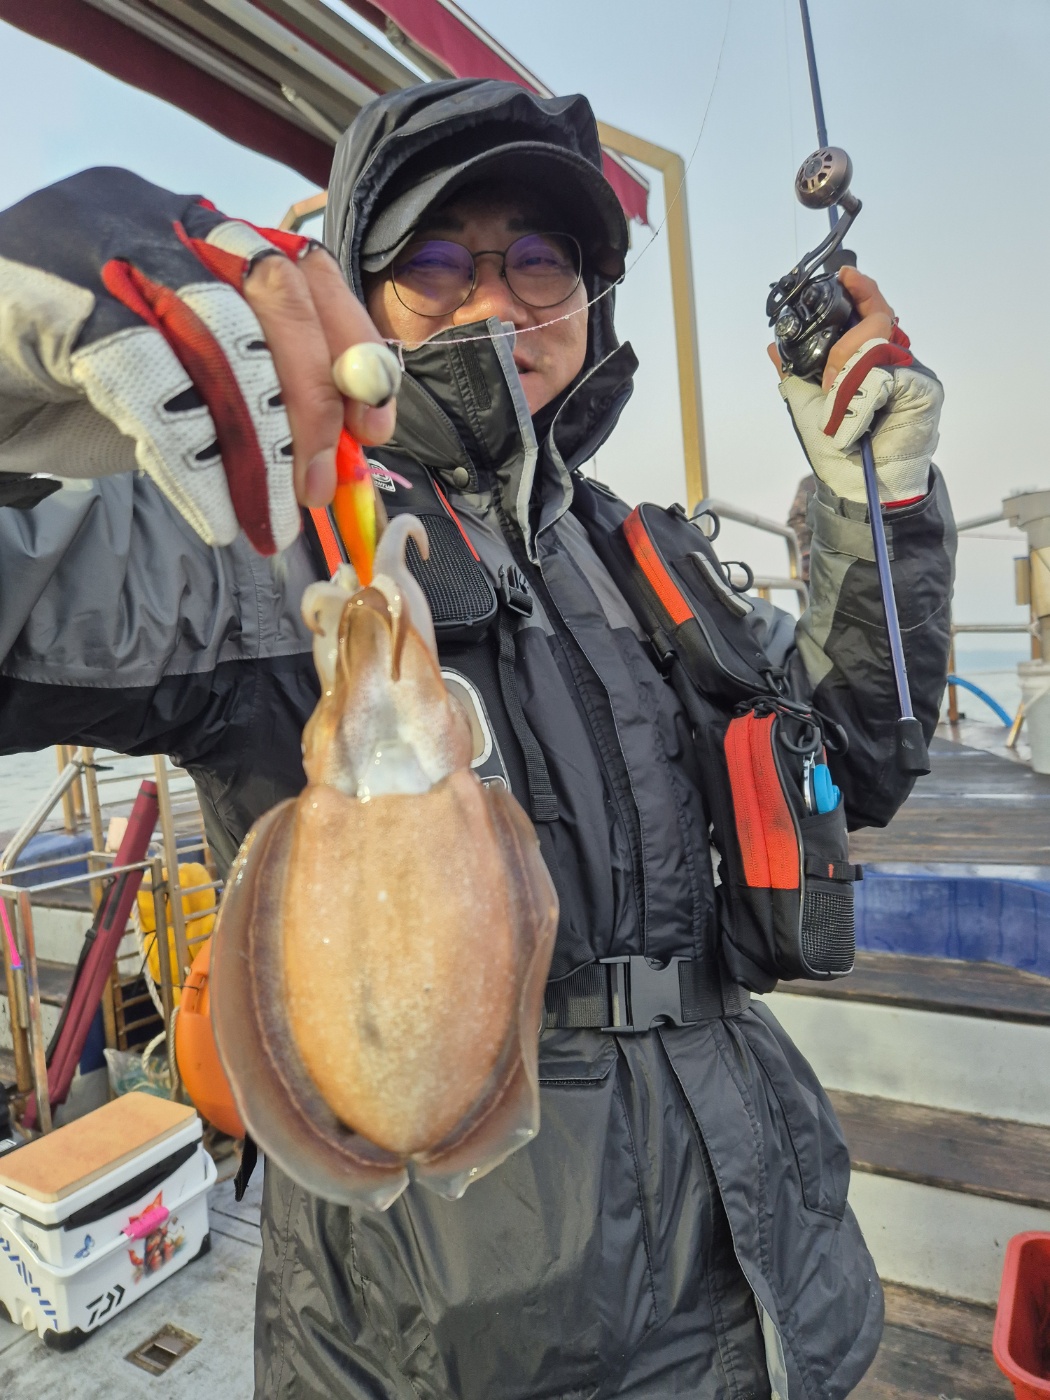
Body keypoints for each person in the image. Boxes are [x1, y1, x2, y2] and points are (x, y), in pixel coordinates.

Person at [0, 79, 953, 1398]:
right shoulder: (254, 538)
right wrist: (16, 341)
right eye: (435, 261)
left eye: (540, 260)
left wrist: (876, 503)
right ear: (354, 300)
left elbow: (854, 758)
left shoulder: (644, 557)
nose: (493, 299)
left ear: (589, 298)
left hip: (771, 1284)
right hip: (455, 1339)